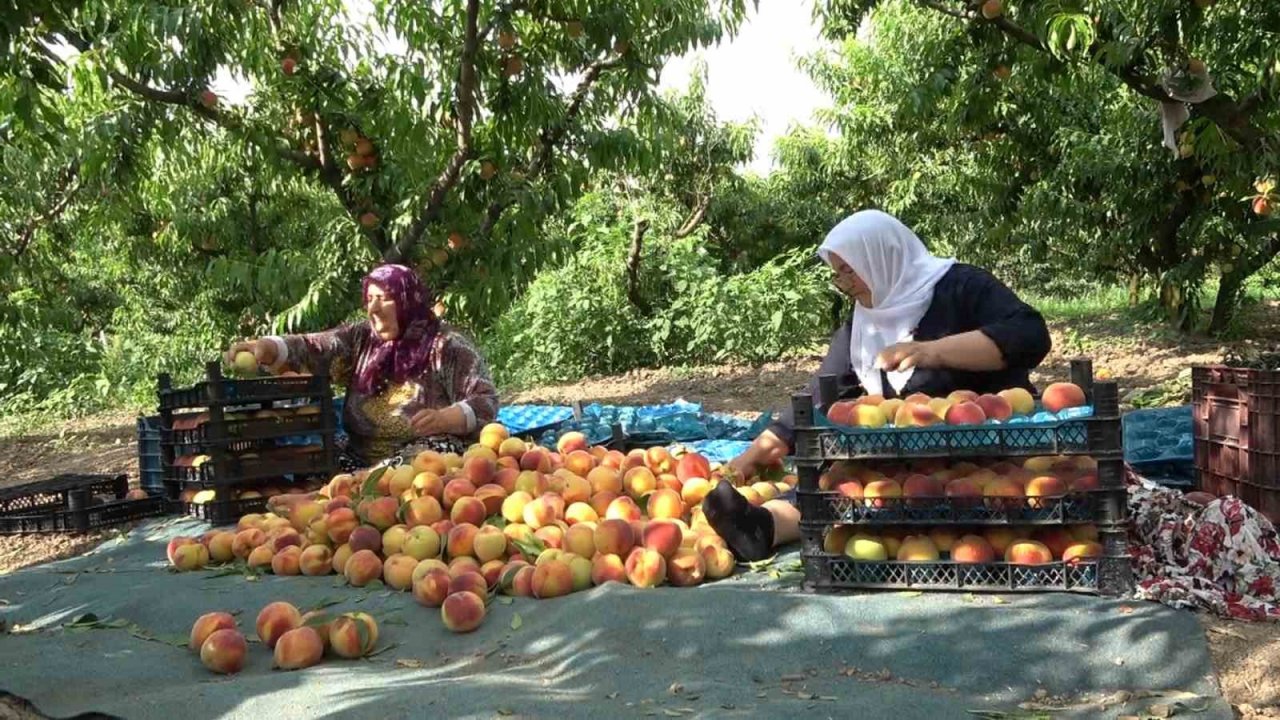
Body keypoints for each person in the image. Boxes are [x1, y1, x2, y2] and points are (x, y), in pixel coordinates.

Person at [703, 210, 1053, 561]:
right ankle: (763, 526)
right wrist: (750, 457)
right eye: (838, 274)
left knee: (980, 494)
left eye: (850, 270)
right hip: (909, 465)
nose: (845, 283)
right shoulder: (865, 318)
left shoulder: (961, 286)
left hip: (992, 451)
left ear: (881, 257)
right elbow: (823, 390)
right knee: (845, 483)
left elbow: (1030, 335)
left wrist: (930, 351)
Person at [225, 264, 499, 470]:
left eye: (385, 298)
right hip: (360, 458)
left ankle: (363, 486)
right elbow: (316, 347)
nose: (374, 309)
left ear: (408, 302)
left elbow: (485, 400)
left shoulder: (446, 345)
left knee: (433, 456)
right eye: (369, 300)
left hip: (422, 461)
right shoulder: (361, 338)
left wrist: (445, 418)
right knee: (313, 464)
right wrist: (270, 347)